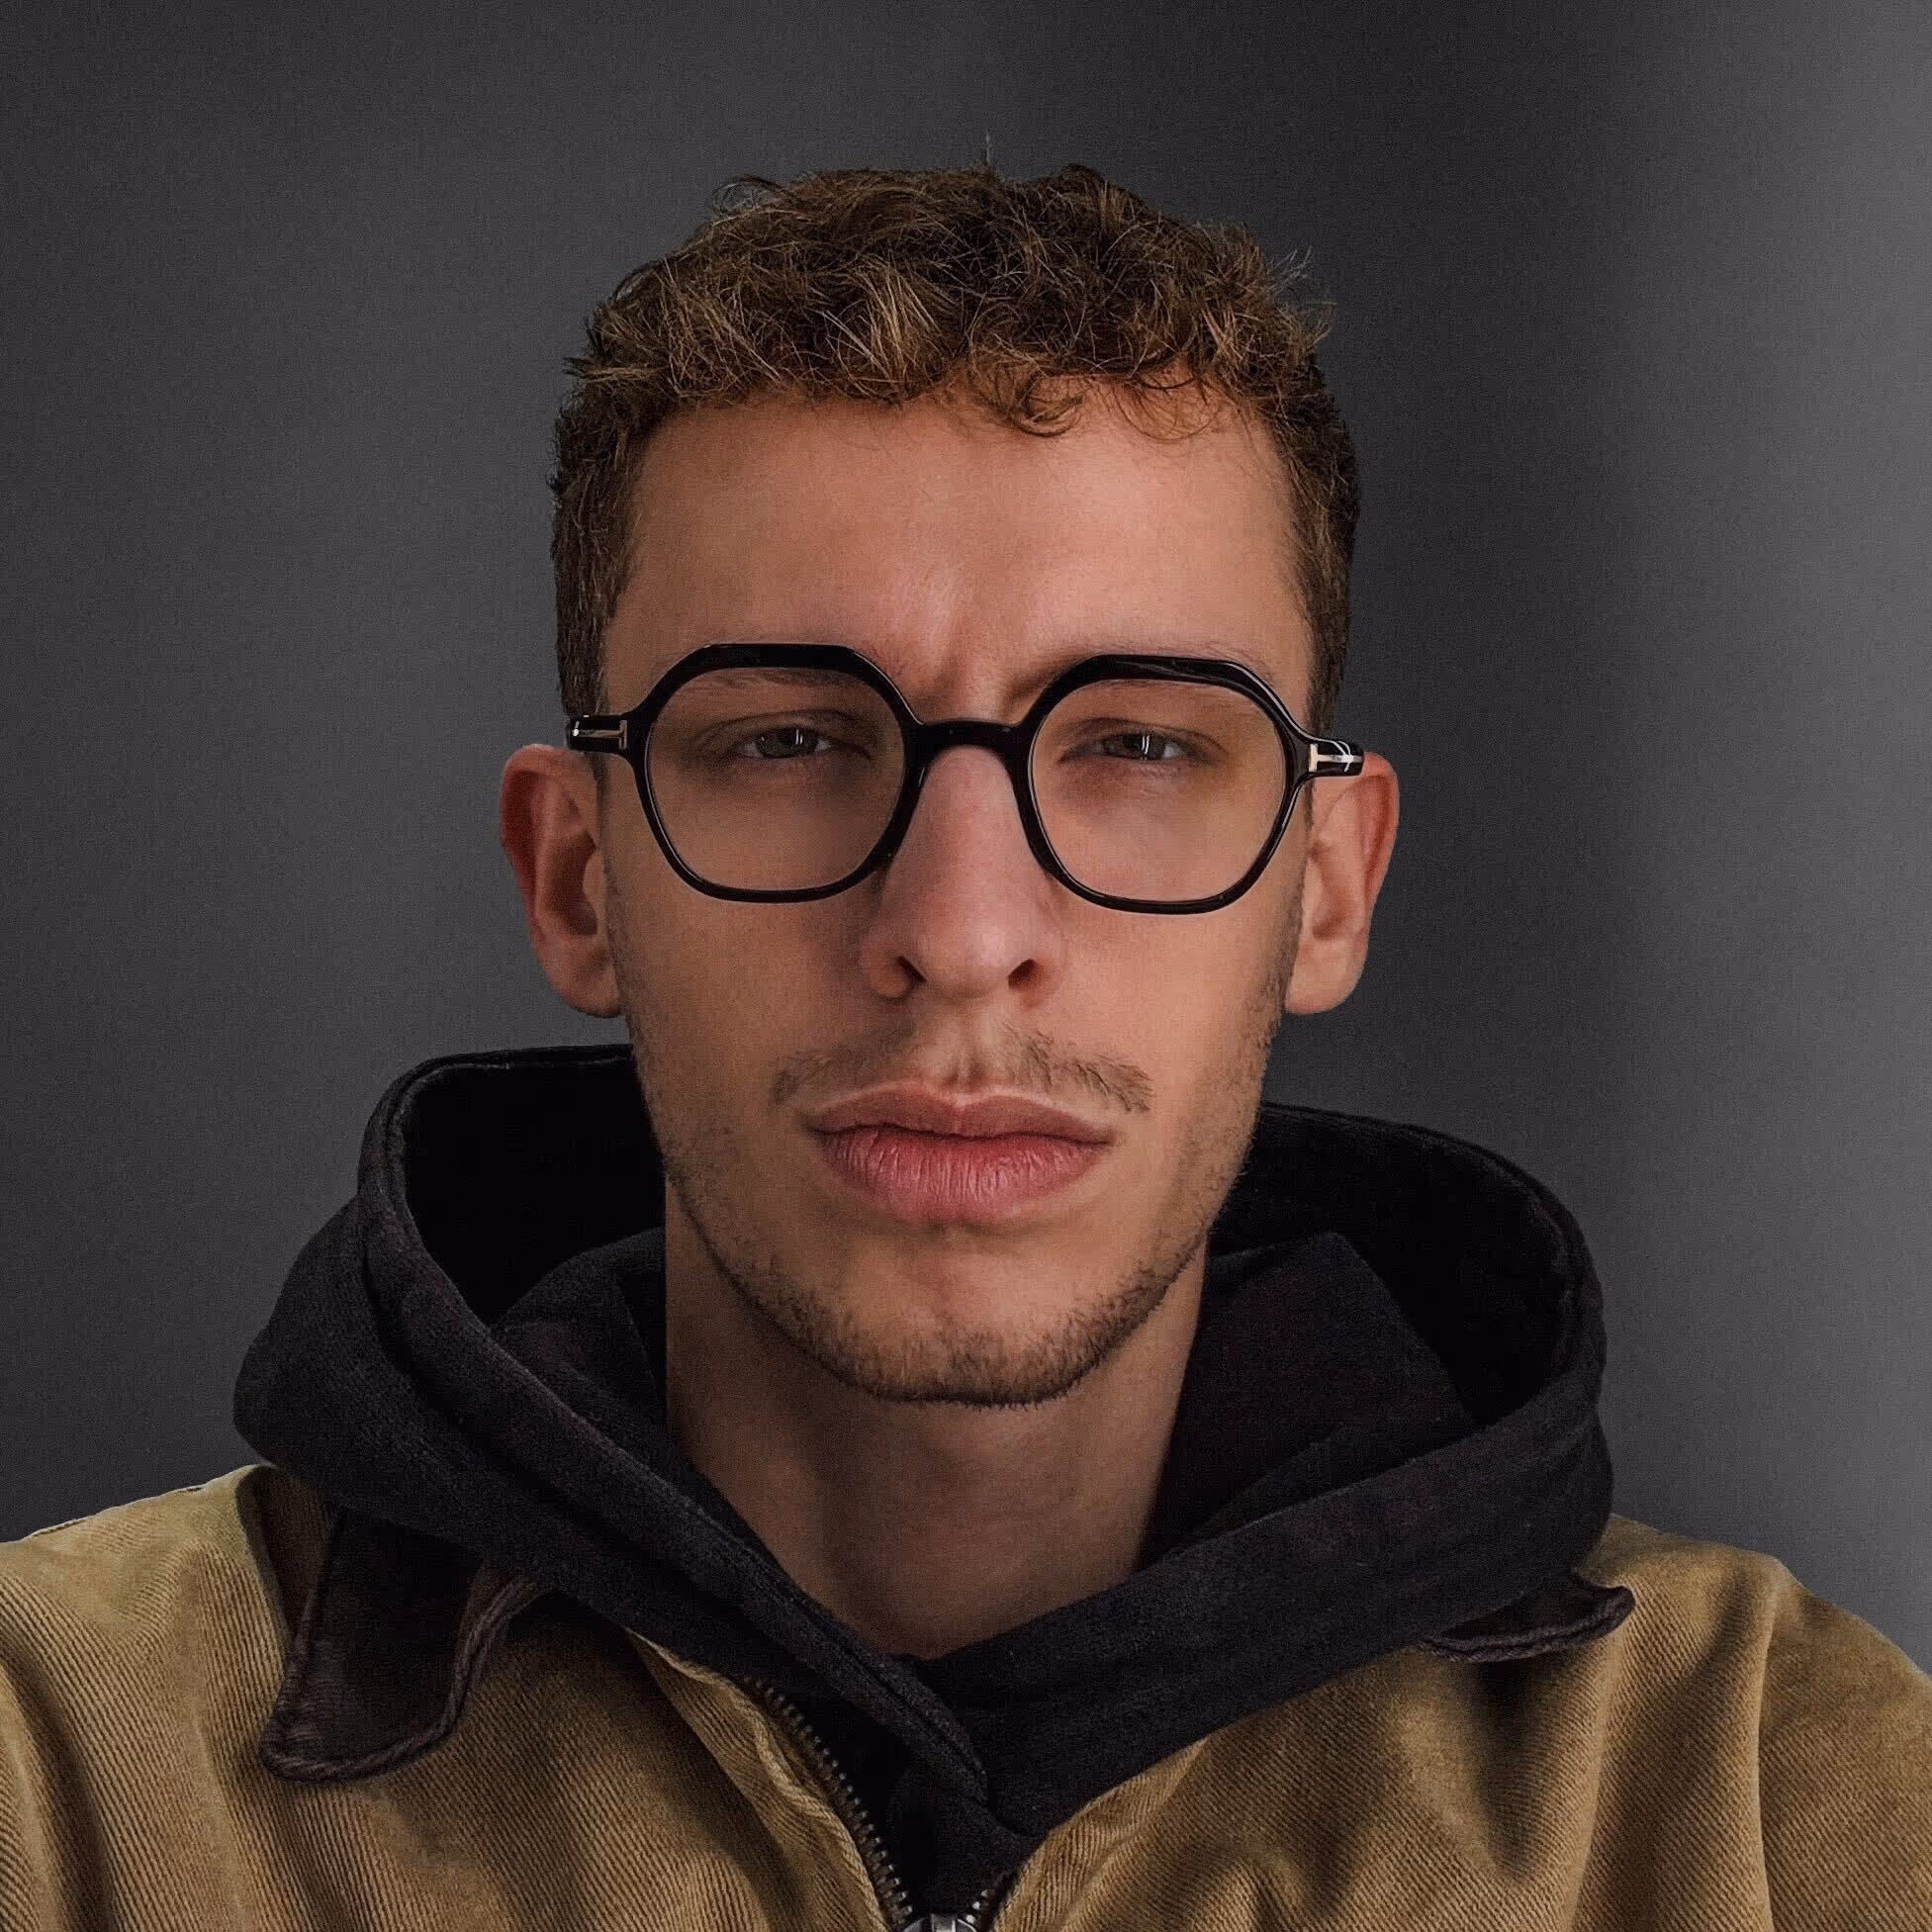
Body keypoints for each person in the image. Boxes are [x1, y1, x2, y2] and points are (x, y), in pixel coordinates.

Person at [4, 160, 1927, 1932]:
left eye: (1141, 747)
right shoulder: (62, 1771)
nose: (959, 931)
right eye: (784, 741)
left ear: (1324, 885)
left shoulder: (1762, 1793)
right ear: (576, 876)